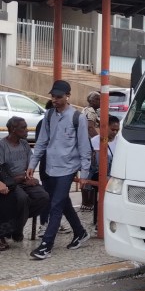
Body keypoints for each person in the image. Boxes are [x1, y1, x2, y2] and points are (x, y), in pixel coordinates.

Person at [27, 80, 92, 260]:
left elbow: (84, 148)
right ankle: (80, 233)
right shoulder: (48, 116)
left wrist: (84, 174)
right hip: (50, 167)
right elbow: (41, 143)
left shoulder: (77, 118)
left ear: (67, 96)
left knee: (56, 205)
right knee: (63, 202)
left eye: (58, 97)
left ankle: (46, 246)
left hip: (68, 167)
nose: (54, 100)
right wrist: (32, 164)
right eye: (52, 96)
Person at [0, 116, 49, 243]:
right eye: (23, 128)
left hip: (23, 180)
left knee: (43, 196)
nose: (27, 130)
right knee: (22, 199)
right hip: (10, 183)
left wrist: (29, 177)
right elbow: (3, 171)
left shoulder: (24, 144)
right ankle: (17, 230)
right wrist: (20, 178)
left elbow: (29, 164)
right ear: (13, 129)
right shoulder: (2, 145)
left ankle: (17, 225)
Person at [34, 100, 72, 238]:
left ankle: (55, 223)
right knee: (49, 196)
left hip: (60, 167)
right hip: (48, 166)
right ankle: (44, 224)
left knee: (60, 197)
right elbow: (41, 145)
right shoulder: (44, 124)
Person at [80, 91, 100, 211]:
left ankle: (86, 202)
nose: (100, 101)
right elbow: (90, 127)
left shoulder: (85, 110)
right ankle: (88, 203)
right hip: (89, 145)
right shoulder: (91, 112)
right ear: (91, 101)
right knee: (91, 171)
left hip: (84, 144)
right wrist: (97, 142)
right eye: (98, 99)